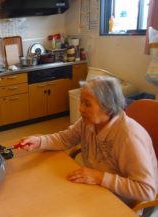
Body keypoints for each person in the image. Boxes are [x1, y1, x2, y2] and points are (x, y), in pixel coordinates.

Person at [17, 76, 158, 205]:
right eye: (81, 102)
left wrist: (99, 177)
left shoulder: (128, 137)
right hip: (97, 188)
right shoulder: (88, 122)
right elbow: (65, 138)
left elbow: (147, 190)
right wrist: (39, 141)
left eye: (87, 104)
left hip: (122, 201)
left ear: (108, 107)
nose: (81, 109)